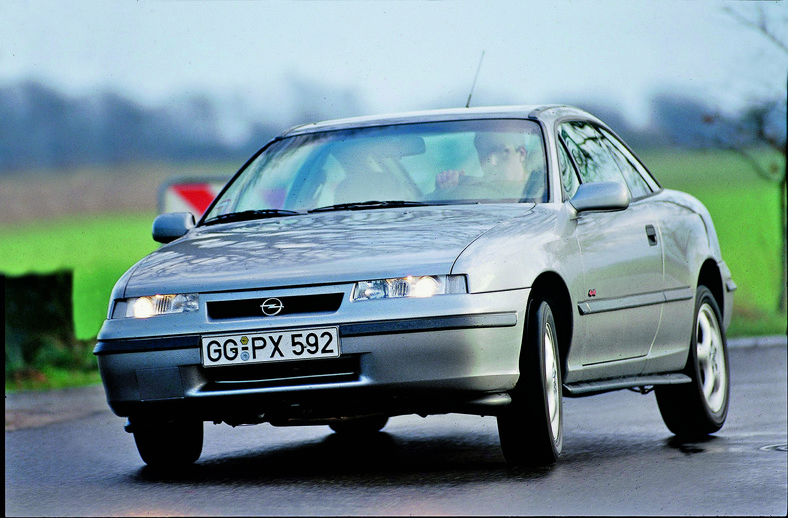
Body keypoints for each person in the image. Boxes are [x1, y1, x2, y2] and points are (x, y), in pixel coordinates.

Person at [434, 131, 544, 200]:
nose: (492, 162)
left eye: (503, 151)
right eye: (484, 153)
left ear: (522, 153)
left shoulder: (542, 190)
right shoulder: (470, 192)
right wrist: (447, 192)